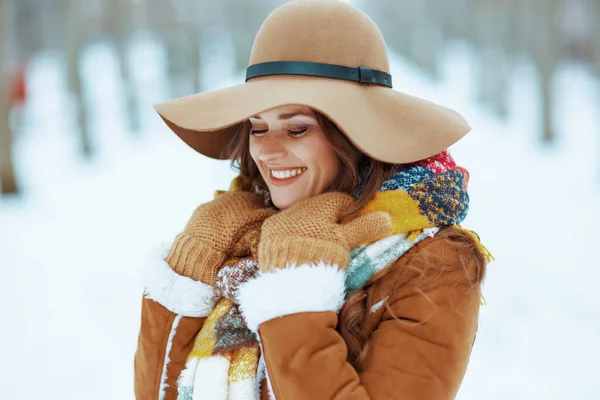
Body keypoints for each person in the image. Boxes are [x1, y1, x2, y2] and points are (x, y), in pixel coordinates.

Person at [134, 0, 493, 399]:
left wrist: (295, 283)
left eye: (297, 129)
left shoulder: (432, 262)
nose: (267, 152)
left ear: (357, 135)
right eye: (258, 127)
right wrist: (190, 266)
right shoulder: (240, 242)